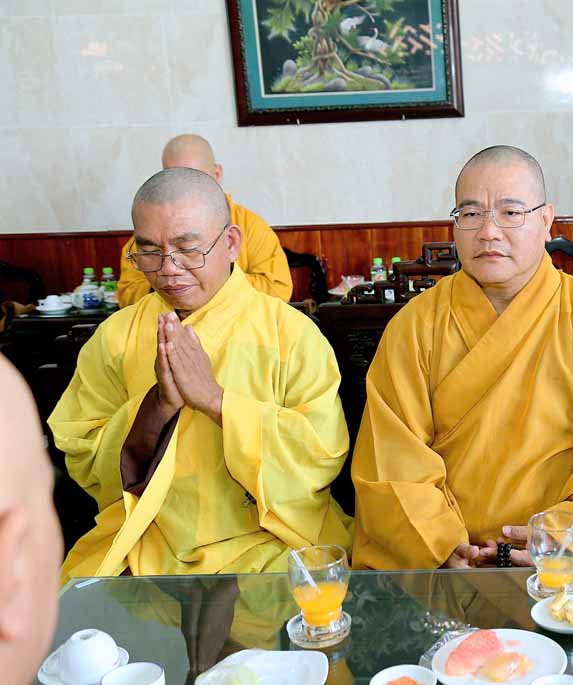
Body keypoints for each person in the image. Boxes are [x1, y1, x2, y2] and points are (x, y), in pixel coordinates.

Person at [351, 146, 573, 569]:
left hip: (563, 563)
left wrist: (561, 539)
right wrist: (439, 545)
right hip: (447, 566)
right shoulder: (414, 328)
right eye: (471, 214)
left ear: (546, 222)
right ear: (454, 225)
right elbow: (391, 464)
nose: (489, 232)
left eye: (510, 213)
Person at [49, 168, 351, 581]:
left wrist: (216, 401)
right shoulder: (116, 336)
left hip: (269, 543)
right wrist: (157, 408)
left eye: (188, 249)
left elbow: (320, 456)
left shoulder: (291, 334)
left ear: (230, 243)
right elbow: (81, 453)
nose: (168, 269)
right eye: (149, 251)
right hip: (145, 542)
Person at [116, 134, 292, 307]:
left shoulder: (250, 226)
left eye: (188, 248)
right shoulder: (152, 233)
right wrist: (173, 289)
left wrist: (210, 283)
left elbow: (278, 289)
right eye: (174, 178)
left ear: (217, 174)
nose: (184, 189)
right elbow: (128, 293)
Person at [0, 357, 63, 684]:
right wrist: (157, 406)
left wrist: (213, 400)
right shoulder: (111, 342)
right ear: (12, 576)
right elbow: (83, 444)